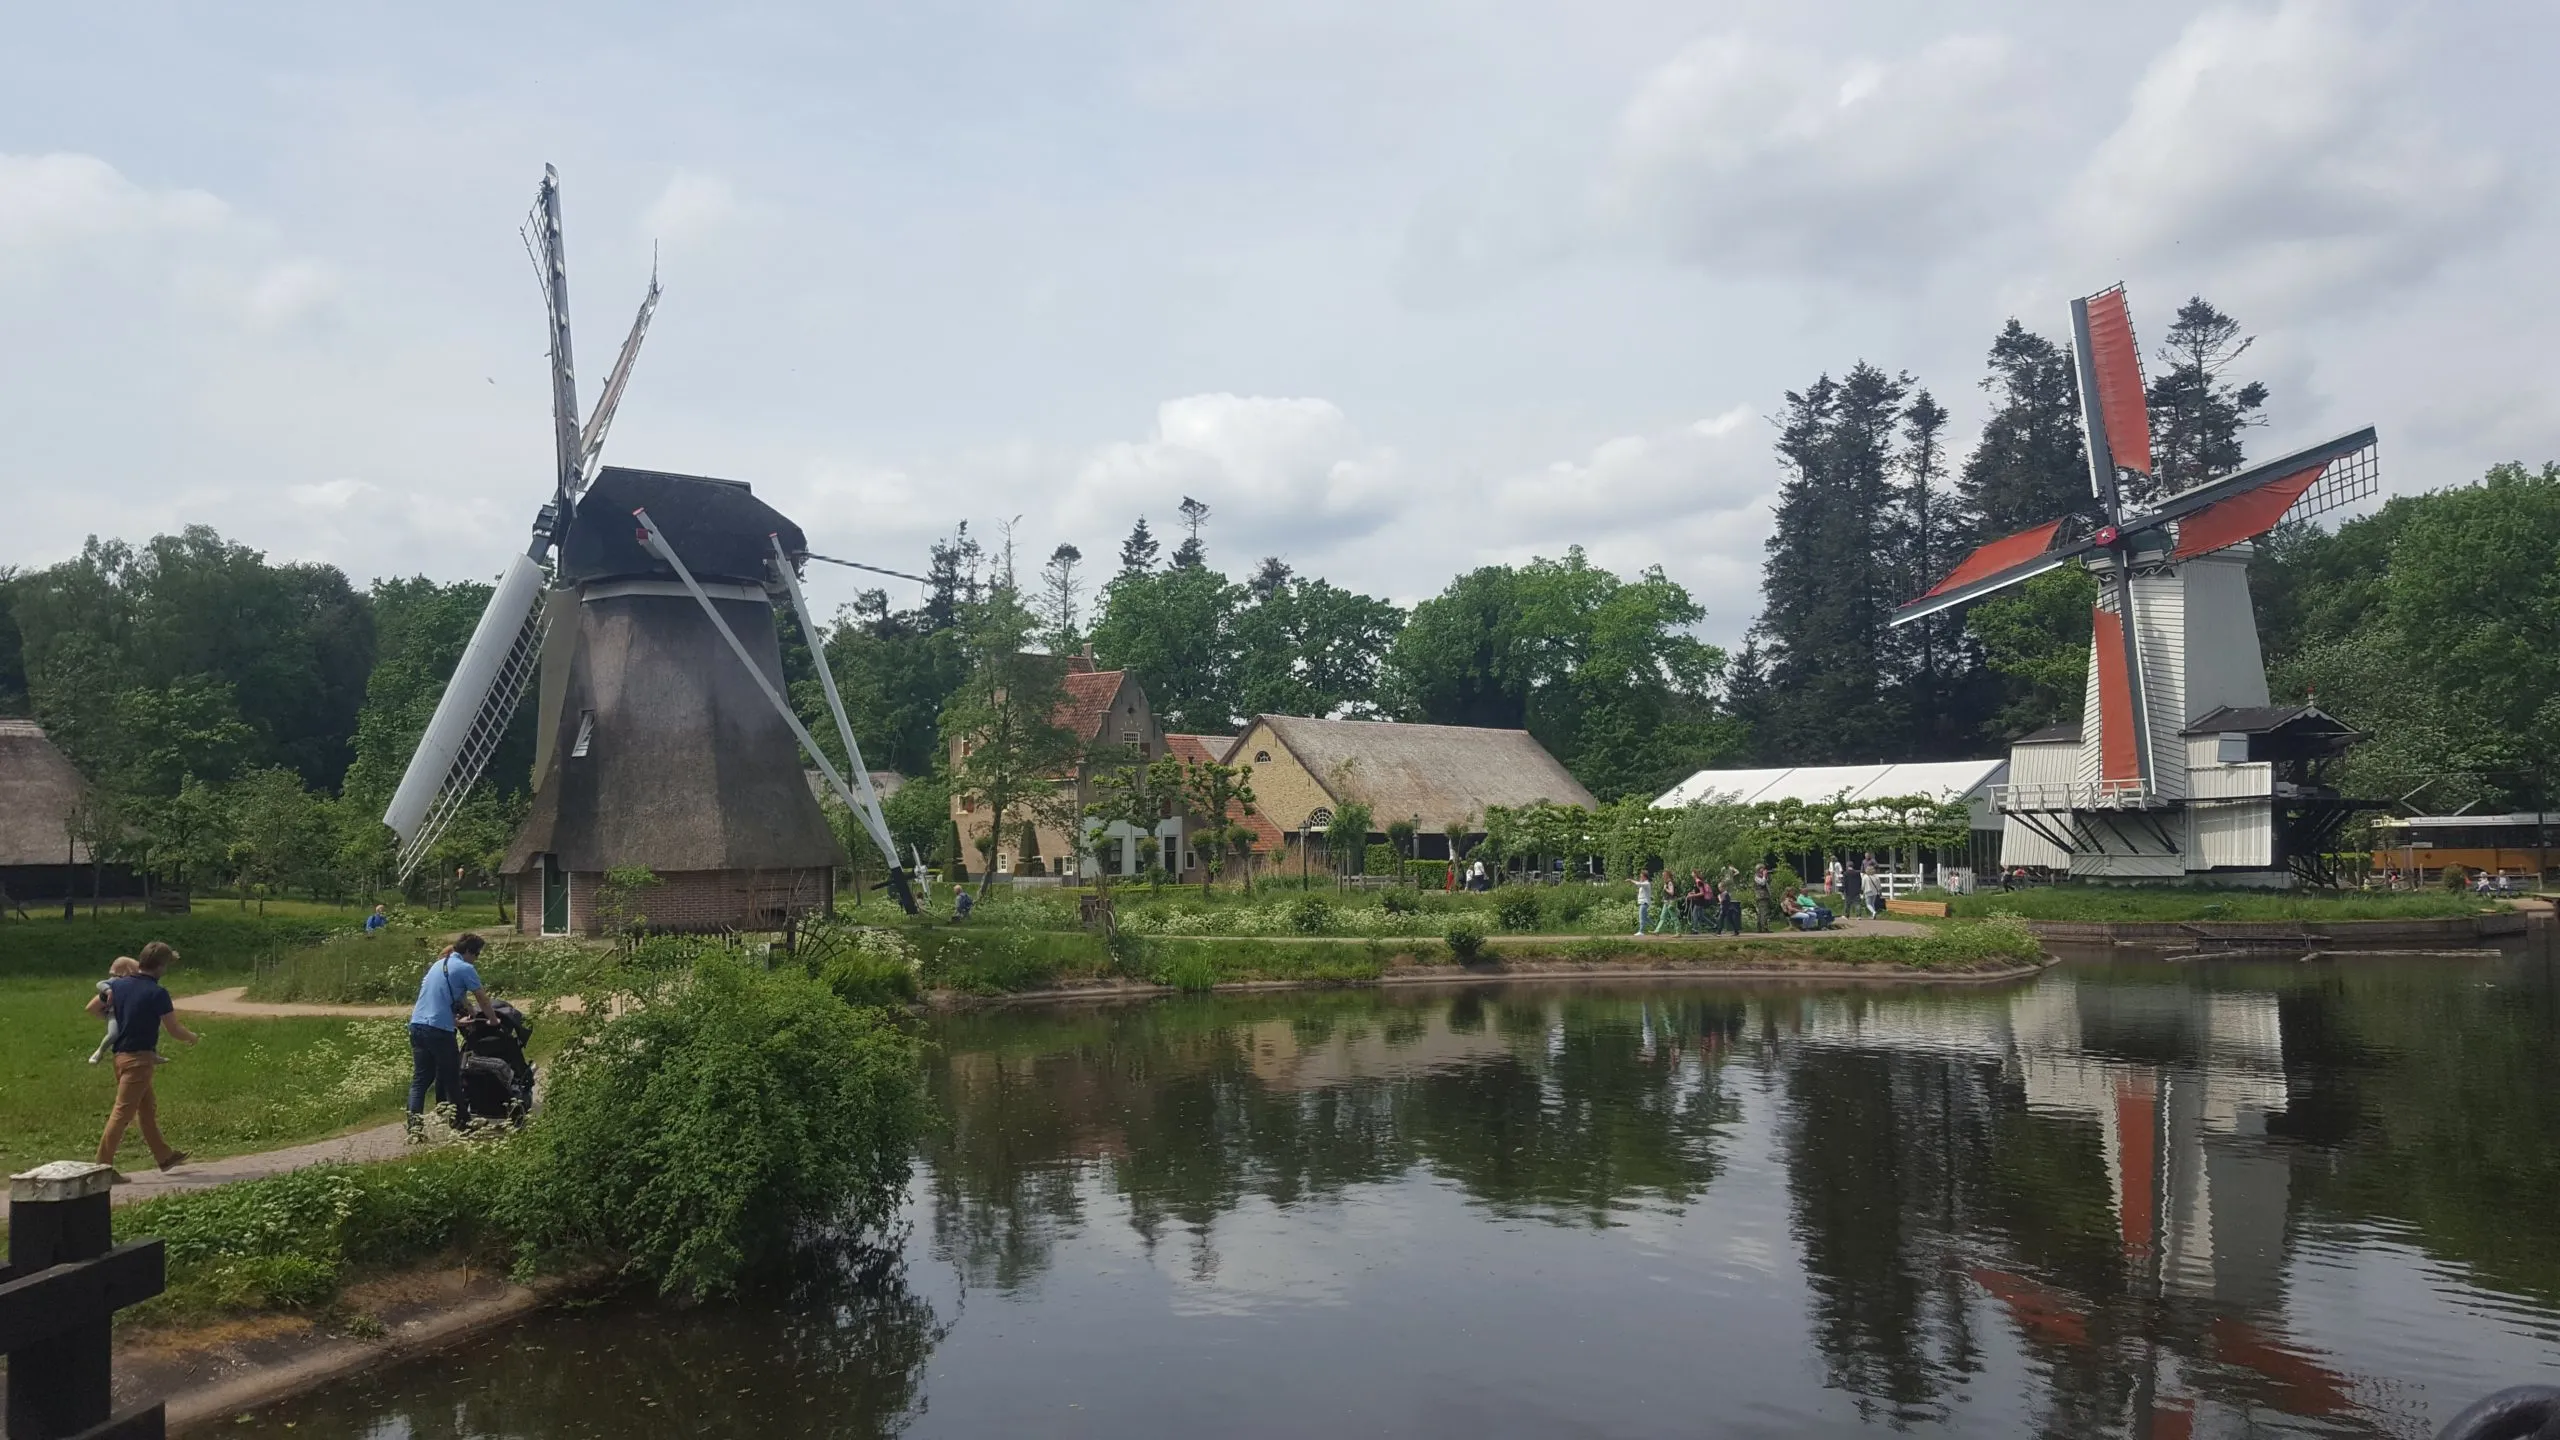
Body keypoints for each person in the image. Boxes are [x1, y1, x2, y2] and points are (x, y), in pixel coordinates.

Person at [92, 941, 197, 1178]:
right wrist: (191, 1037)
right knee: (122, 1114)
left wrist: (117, 1019)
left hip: (120, 1057)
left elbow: (92, 1008)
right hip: (138, 1060)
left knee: (147, 1109)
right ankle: (102, 1168)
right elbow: (173, 1029)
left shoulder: (119, 986)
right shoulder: (157, 993)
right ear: (160, 966)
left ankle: (164, 1156)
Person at [409, 934, 495, 1137]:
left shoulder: (438, 965)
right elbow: (481, 997)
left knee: (420, 1080)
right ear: (468, 952)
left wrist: (456, 1021)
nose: (477, 958)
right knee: (452, 1078)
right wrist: (492, 1019)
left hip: (417, 1025)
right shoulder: (466, 968)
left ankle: (414, 1129)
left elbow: (435, 1000)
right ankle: (462, 1125)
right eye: (477, 954)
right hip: (439, 1032)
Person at [88, 955, 143, 1064]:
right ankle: (100, 1051)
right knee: (113, 1034)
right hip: (115, 1014)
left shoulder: (135, 983)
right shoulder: (115, 981)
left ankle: (146, 1053)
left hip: (130, 1014)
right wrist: (108, 991)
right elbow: (100, 983)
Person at [1633, 869, 1655, 936]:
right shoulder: (1644, 884)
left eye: (1641, 876)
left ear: (1645, 877)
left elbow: (1638, 884)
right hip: (1643, 903)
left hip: (1644, 903)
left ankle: (1641, 931)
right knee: (1646, 918)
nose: (1640, 878)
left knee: (1641, 917)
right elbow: (1639, 885)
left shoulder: (1646, 883)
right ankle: (1656, 928)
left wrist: (1631, 880)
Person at [1752, 863, 1772, 933]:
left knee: (1761, 913)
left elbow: (1767, 884)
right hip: (1761, 897)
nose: (1763, 870)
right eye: (1762, 868)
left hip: (1764, 896)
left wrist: (1766, 876)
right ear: (1758, 869)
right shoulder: (1756, 877)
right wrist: (1764, 876)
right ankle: (1764, 928)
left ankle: (1760, 928)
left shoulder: (1762, 876)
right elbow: (1762, 883)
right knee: (1764, 913)